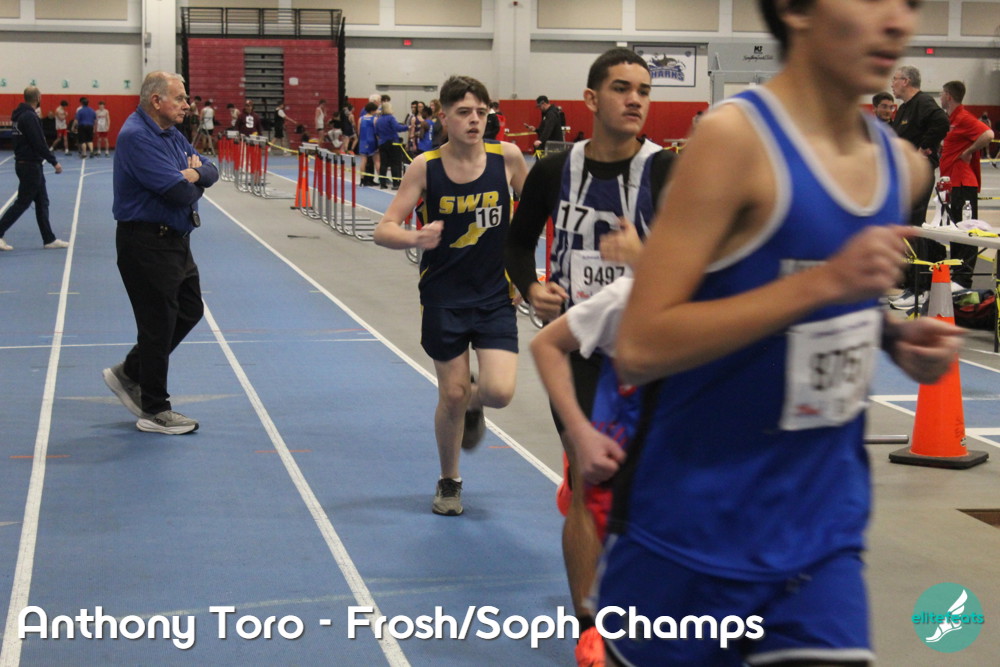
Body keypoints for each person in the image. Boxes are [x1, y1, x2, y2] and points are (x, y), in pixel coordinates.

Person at [598, 2, 965, 665]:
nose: (897, 21)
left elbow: (817, 297)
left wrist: (887, 333)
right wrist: (825, 284)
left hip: (821, 538)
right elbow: (642, 345)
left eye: (909, 3)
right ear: (795, 9)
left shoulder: (901, 166)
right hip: (688, 538)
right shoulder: (733, 142)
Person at [504, 47, 674, 667]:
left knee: (646, 486)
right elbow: (517, 244)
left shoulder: (666, 171)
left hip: (651, 351)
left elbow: (700, 266)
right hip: (577, 347)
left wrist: (645, 259)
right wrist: (531, 288)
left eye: (644, 91)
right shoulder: (555, 170)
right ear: (591, 99)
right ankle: (591, 624)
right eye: (622, 88)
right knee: (585, 479)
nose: (635, 100)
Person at [373, 75, 528, 517]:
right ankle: (449, 480)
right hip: (443, 296)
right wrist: (414, 237)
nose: (475, 120)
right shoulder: (425, 167)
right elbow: (384, 229)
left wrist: (527, 276)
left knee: (498, 392)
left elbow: (535, 215)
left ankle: (476, 402)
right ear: (444, 116)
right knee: (453, 394)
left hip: (495, 294)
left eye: (481, 111)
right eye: (464, 112)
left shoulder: (508, 157)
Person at [103, 71, 219, 435]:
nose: (187, 105)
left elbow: (212, 169)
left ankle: (130, 371)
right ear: (157, 101)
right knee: (158, 324)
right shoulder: (137, 137)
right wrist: (193, 179)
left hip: (176, 241)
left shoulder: (171, 133)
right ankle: (154, 409)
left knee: (189, 309)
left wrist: (194, 175)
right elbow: (179, 193)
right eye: (180, 98)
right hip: (147, 243)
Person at [888, 63, 950, 307]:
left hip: (918, 176)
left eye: (895, 79)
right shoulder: (904, 108)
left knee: (914, 227)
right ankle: (909, 284)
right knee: (904, 227)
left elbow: (942, 122)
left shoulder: (923, 103)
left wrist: (924, 148)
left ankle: (920, 288)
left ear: (906, 81)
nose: (891, 84)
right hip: (903, 176)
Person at [939, 80, 994, 289]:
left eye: (942, 94)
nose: (940, 97)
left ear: (948, 96)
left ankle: (964, 279)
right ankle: (957, 276)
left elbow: (988, 134)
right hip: (953, 184)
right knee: (955, 230)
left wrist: (968, 151)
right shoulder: (952, 120)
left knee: (965, 230)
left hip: (963, 183)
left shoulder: (963, 117)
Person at [0, 86, 67, 252]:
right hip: (29, 165)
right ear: (38, 98)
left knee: (42, 202)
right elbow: (39, 142)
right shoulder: (29, 117)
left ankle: (49, 239)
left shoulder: (20, 116)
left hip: (29, 164)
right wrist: (54, 162)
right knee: (23, 202)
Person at [375, 101, 408, 189]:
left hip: (382, 143)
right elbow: (397, 128)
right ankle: (396, 183)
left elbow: (376, 132)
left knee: (383, 164)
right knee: (395, 163)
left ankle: (382, 183)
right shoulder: (391, 118)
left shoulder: (379, 119)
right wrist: (407, 127)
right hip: (393, 142)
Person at [357, 101, 379, 186]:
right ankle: (382, 179)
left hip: (363, 140)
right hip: (372, 140)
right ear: (373, 110)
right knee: (376, 160)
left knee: (363, 160)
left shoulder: (361, 119)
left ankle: (362, 180)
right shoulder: (375, 119)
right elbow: (376, 132)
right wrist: (378, 141)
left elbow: (358, 131)